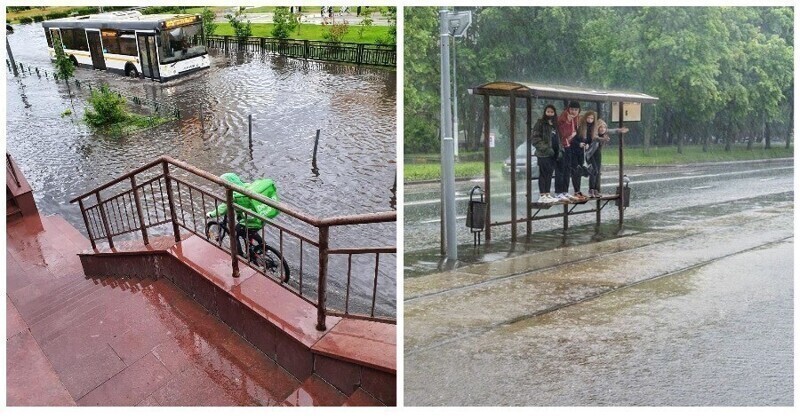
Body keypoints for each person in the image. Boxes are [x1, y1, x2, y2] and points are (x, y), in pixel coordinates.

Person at [207, 173, 280, 254]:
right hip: (261, 218)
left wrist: (211, 214)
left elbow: (222, 208)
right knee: (250, 232)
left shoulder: (234, 196)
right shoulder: (247, 186)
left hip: (250, 222)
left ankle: (239, 254)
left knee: (234, 233)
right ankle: (264, 246)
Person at [585, 119, 629, 197]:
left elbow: (612, 131)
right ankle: (591, 190)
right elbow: (595, 138)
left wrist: (620, 130)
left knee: (598, 172)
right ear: (597, 128)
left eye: (604, 128)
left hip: (597, 154)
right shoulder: (593, 133)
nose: (603, 129)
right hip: (590, 155)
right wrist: (603, 139)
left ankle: (596, 190)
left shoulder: (604, 132)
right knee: (594, 171)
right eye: (601, 127)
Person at [530, 104, 561, 204]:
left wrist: (559, 150)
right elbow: (534, 139)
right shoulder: (540, 123)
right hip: (543, 154)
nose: (550, 114)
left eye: (552, 112)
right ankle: (542, 195)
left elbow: (558, 138)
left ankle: (547, 193)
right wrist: (546, 148)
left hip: (553, 154)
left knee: (549, 174)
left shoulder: (555, 124)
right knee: (543, 174)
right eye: (548, 112)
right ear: (545, 112)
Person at [570, 110, 600, 202]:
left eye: (592, 118)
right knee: (576, 172)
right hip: (577, 152)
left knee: (594, 170)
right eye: (588, 118)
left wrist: (588, 144)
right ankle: (577, 191)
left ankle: (592, 189)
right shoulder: (579, 127)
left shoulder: (593, 129)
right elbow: (572, 139)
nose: (590, 120)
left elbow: (593, 140)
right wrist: (579, 144)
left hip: (587, 153)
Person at [556, 100, 582, 203]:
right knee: (560, 170)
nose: (573, 111)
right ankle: (559, 192)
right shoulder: (564, 117)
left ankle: (565, 191)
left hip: (568, 146)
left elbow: (576, 134)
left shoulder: (576, 119)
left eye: (576, 110)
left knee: (567, 170)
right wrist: (567, 122)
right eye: (572, 109)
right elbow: (563, 133)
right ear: (568, 109)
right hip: (561, 147)